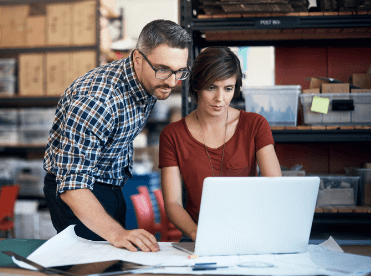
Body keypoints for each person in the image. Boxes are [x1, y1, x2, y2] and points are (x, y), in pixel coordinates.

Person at [43, 19, 192, 252]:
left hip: (112, 185)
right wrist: (116, 233)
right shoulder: (97, 100)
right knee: (92, 263)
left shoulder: (151, 81)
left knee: (117, 258)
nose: (172, 82)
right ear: (137, 59)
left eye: (179, 71)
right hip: (79, 191)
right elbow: (72, 184)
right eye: (163, 69)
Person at [158, 46, 282, 242]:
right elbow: (173, 203)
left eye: (228, 89)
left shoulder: (255, 125)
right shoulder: (172, 135)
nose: (220, 99)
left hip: (249, 233)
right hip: (197, 235)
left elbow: (275, 187)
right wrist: (195, 233)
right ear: (196, 86)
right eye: (211, 87)